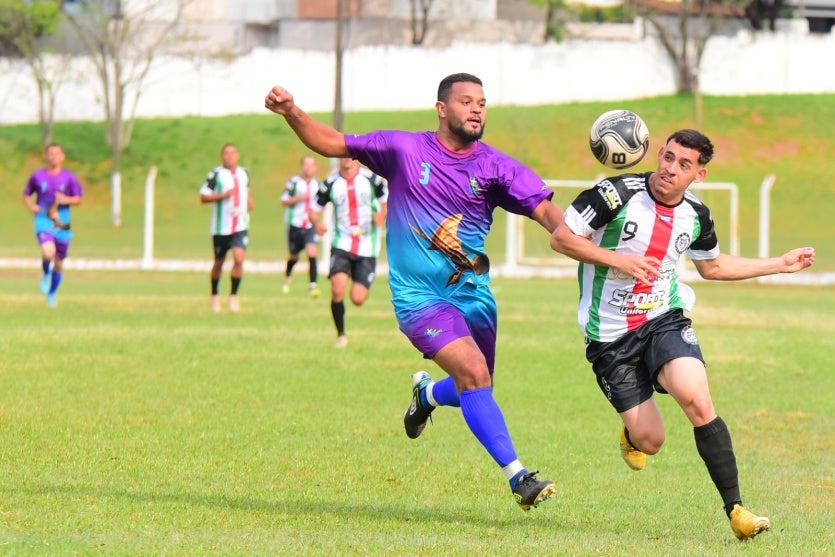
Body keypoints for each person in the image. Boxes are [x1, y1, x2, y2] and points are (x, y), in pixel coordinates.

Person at [265, 72, 565, 511]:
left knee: (475, 387)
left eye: (482, 102)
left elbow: (546, 211)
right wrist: (292, 112)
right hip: (419, 299)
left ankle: (425, 395)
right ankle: (519, 477)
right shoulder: (403, 149)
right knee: (474, 374)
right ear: (442, 108)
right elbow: (332, 143)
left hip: (474, 298)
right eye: (466, 101)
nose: (477, 108)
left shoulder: (498, 166)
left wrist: (576, 239)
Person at [549, 129, 816, 539]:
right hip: (609, 335)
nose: (671, 169)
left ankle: (737, 511)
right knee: (651, 440)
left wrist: (778, 264)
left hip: (663, 318)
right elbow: (562, 238)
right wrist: (618, 259)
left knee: (696, 398)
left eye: (684, 164)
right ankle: (632, 433)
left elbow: (713, 267)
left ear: (700, 174)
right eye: (669, 158)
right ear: (660, 154)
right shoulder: (614, 193)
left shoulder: (696, 214)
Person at [308, 157, 387, 348]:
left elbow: (388, 201)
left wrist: (381, 216)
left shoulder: (372, 180)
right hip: (341, 242)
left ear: (357, 159)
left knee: (358, 299)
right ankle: (341, 335)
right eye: (343, 155)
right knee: (337, 289)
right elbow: (313, 210)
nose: (347, 159)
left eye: (351, 155)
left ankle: (358, 279)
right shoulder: (330, 183)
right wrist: (317, 224)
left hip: (367, 245)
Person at [22, 143, 84, 308]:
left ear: (62, 156)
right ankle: (46, 275)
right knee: (48, 251)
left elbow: (78, 199)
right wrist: (31, 207)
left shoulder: (69, 178)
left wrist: (66, 200)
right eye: (50, 153)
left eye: (57, 154)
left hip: (61, 220)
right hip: (43, 217)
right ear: (46, 156)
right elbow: (26, 194)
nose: (53, 156)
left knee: (59, 262)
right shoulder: (37, 176)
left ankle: (51, 293)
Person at [199, 143, 254, 313]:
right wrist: (223, 195)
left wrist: (249, 201)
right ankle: (215, 294)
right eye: (226, 153)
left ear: (237, 156)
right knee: (219, 262)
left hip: (240, 224)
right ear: (221, 156)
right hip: (221, 227)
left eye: (232, 153)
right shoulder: (216, 174)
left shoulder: (243, 173)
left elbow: (246, 192)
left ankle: (233, 296)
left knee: (239, 258)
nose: (229, 156)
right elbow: (203, 197)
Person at [280, 155, 321, 298]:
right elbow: (283, 201)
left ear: (315, 168)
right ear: (301, 167)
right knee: (294, 256)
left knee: (312, 253)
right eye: (306, 164)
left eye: (311, 164)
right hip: (295, 225)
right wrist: (299, 197)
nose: (308, 167)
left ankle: (313, 286)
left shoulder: (319, 185)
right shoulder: (294, 183)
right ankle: (287, 278)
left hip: (310, 225)